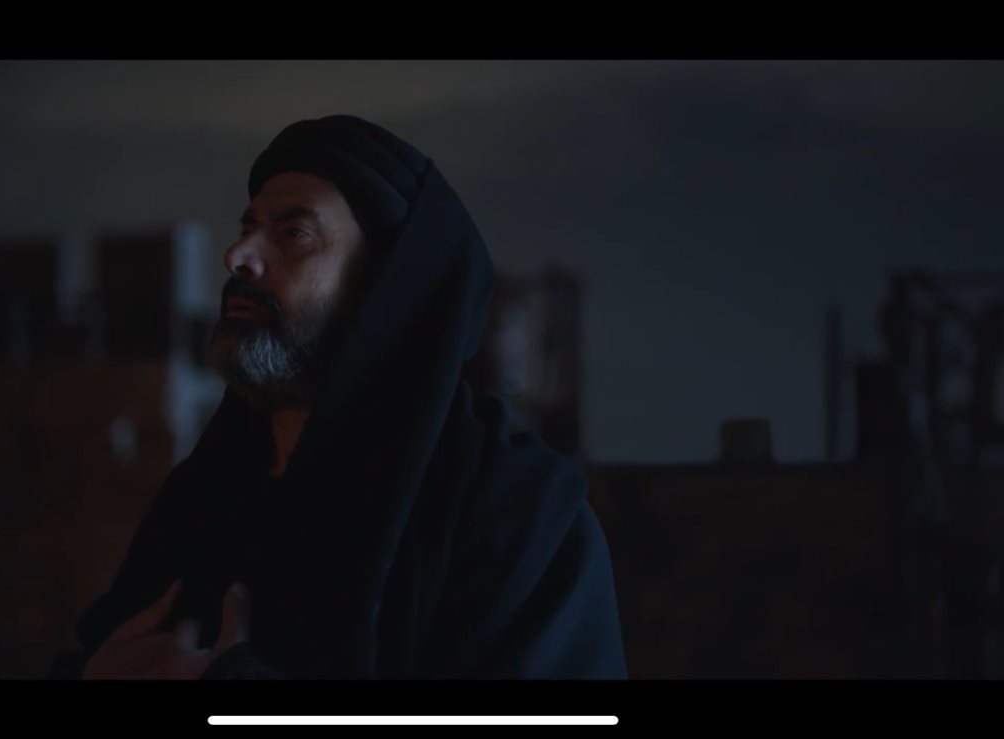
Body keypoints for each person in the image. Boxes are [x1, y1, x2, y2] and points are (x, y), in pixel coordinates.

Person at [53, 115, 627, 680]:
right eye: (248, 227)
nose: (237, 254)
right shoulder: (203, 495)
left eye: (294, 234)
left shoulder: (514, 513)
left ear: (384, 285)